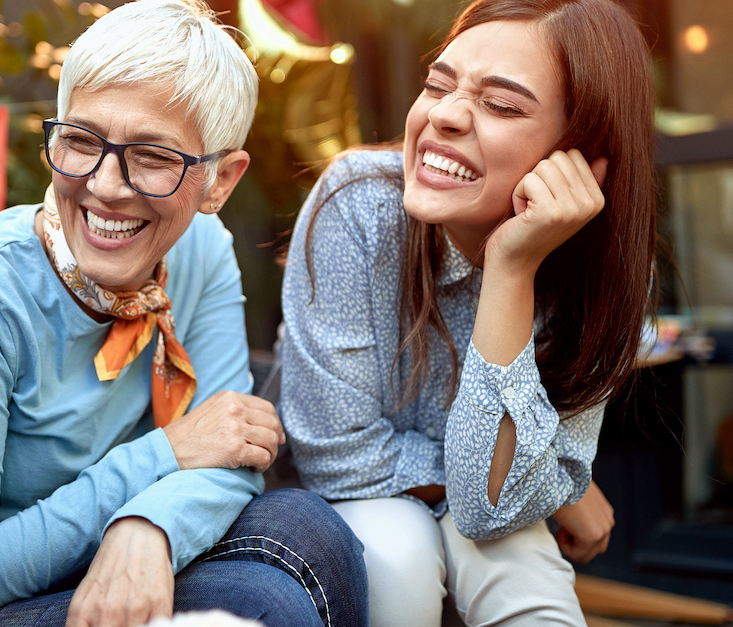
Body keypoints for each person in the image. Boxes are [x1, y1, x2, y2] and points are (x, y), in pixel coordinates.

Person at [0, 1, 368, 626]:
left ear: (220, 181)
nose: (105, 186)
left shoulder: (200, 249)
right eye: (81, 140)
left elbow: (229, 448)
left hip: (83, 553)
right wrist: (164, 457)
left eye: (153, 156)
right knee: (258, 604)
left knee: (312, 528)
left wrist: (147, 526)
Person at [279, 0, 655, 625]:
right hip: (344, 505)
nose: (444, 116)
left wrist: (513, 268)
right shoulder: (358, 203)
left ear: (580, 154)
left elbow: (490, 509)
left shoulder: (603, 270)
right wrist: (561, 488)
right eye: (437, 84)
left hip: (481, 511)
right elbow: (336, 457)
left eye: (502, 105)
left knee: (521, 563)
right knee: (397, 546)